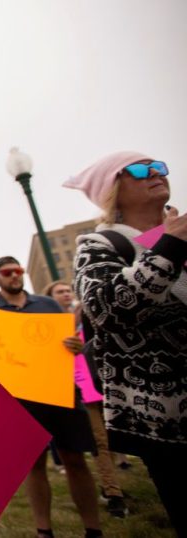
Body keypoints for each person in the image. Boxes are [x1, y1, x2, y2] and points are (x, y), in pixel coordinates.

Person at [64, 151, 187, 535]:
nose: (154, 173)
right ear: (112, 189)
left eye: (159, 166)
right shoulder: (99, 245)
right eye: (138, 169)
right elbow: (107, 309)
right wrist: (169, 247)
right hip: (164, 416)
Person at [0, 257, 102, 538]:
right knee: (34, 464)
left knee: (75, 458)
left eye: (18, 270)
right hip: (21, 400)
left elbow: (70, 344)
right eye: (7, 272)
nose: (15, 275)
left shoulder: (48, 304)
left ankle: (93, 529)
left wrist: (74, 346)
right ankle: (44, 530)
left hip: (59, 392)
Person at [42, 281, 127, 518]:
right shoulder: (44, 323)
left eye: (67, 291)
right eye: (59, 292)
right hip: (67, 388)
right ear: (49, 298)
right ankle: (113, 493)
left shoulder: (85, 315)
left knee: (105, 437)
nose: (65, 294)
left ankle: (111, 486)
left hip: (96, 381)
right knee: (94, 441)